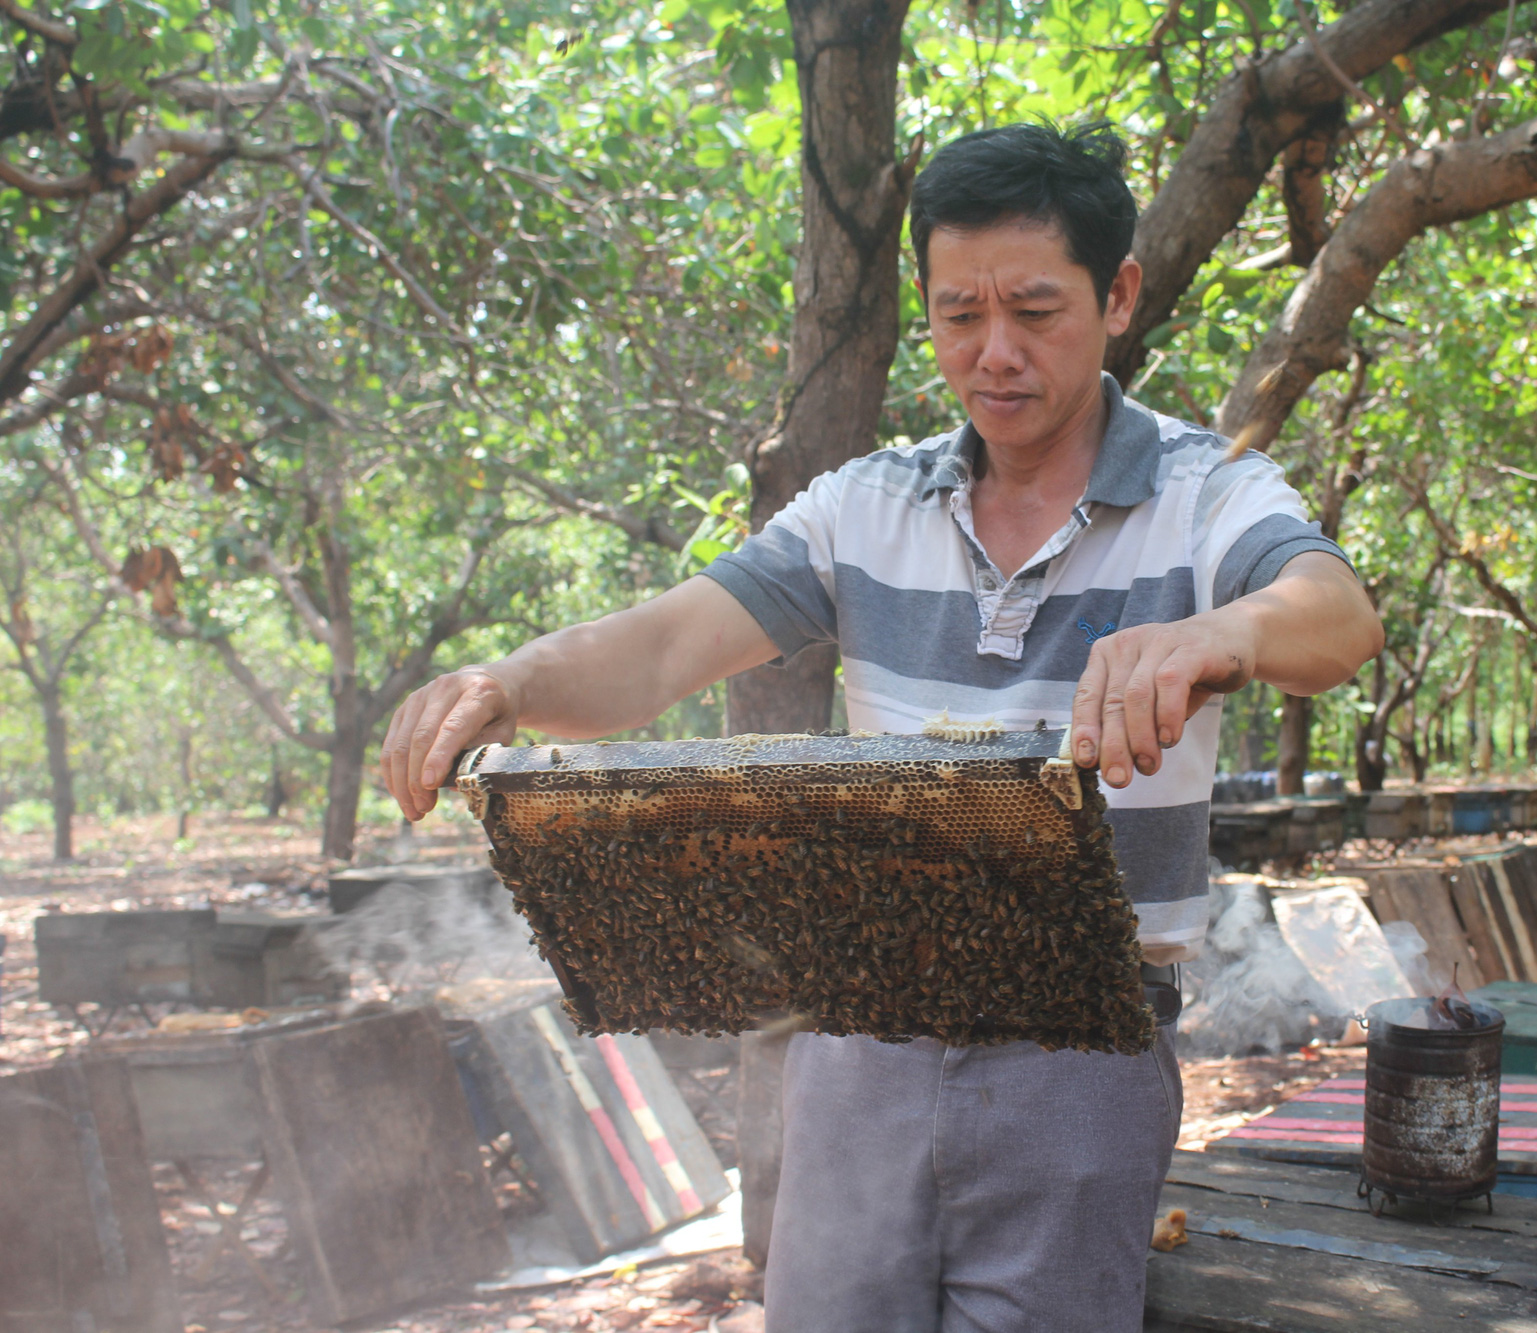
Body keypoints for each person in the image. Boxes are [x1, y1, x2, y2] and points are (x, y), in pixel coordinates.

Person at [381, 121, 1383, 1333]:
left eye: (1033, 310)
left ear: (1117, 296)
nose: (993, 353)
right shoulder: (865, 505)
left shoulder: (1204, 491)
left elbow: (1333, 613)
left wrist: (1216, 635)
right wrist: (505, 679)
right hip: (855, 1037)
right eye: (958, 315)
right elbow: (658, 647)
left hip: (1082, 1055)